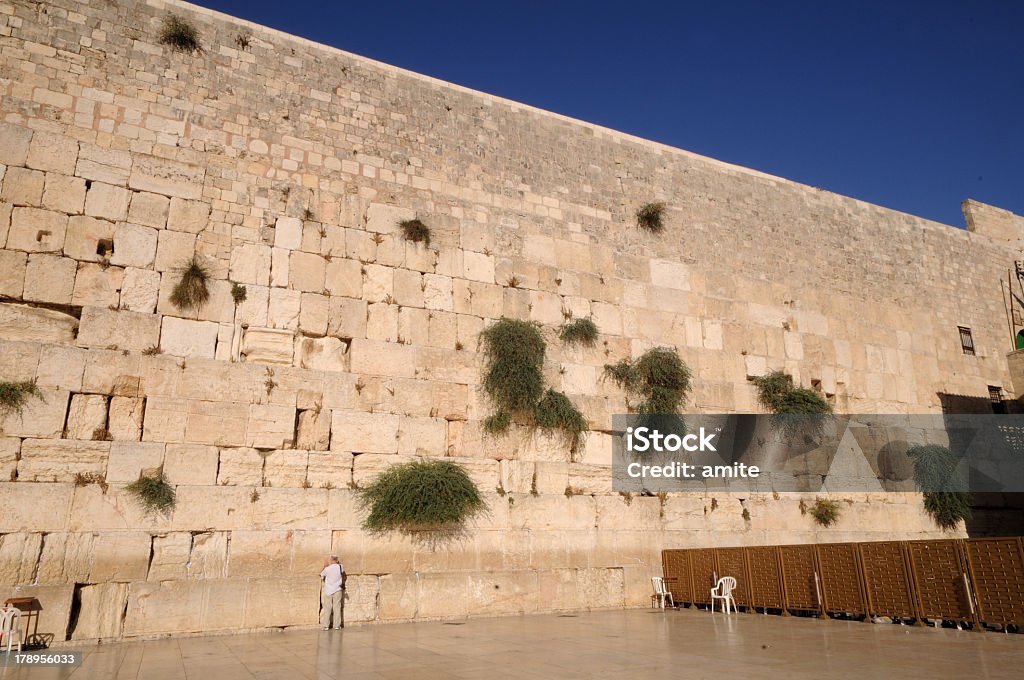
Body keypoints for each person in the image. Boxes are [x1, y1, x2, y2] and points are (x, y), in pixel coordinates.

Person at [319, 554, 346, 630]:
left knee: (327, 608)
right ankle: (337, 625)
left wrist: (324, 567)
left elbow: (321, 574)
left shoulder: (327, 569)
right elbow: (343, 574)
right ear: (337, 560)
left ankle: (326, 626)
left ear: (331, 560)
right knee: (337, 607)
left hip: (328, 590)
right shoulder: (341, 567)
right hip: (338, 589)